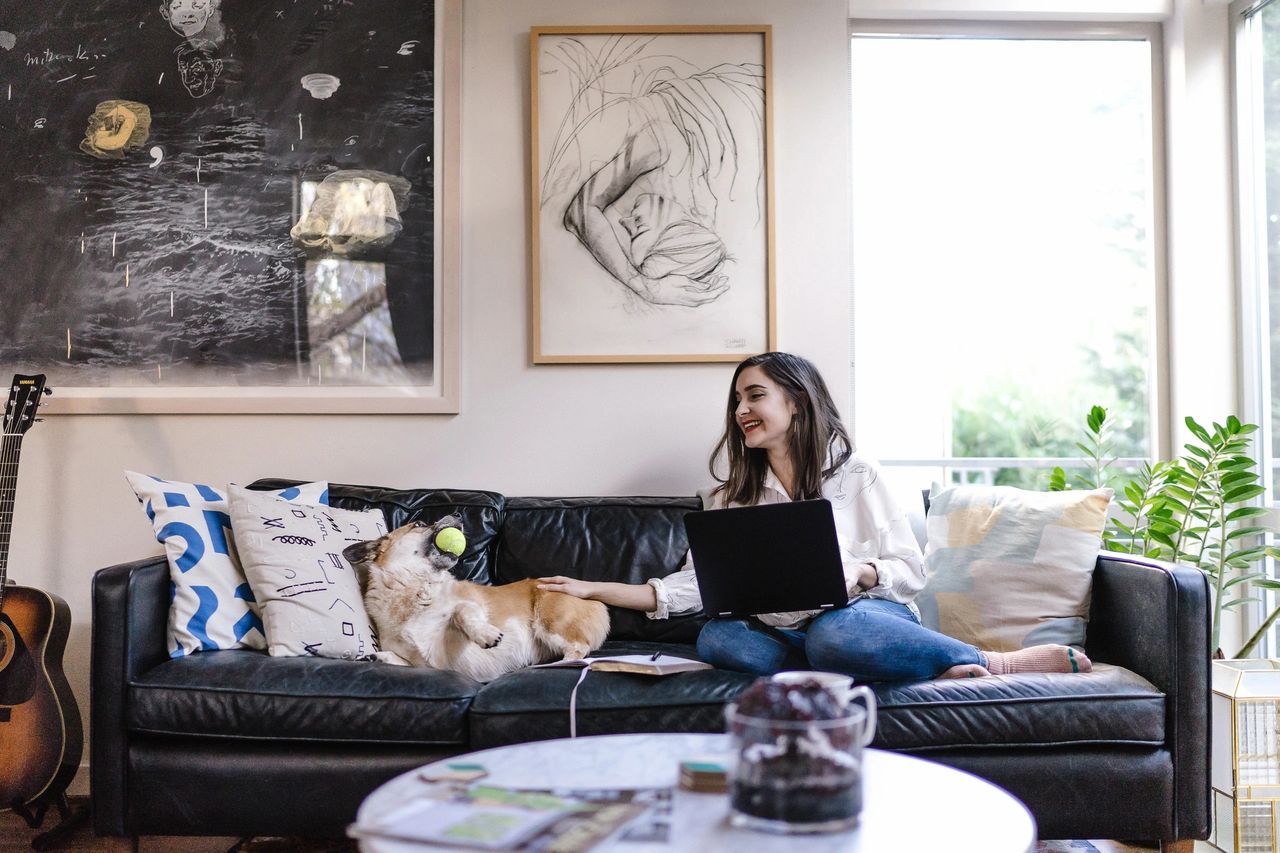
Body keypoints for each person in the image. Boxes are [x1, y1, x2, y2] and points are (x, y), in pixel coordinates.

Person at [537, 351, 1093, 682]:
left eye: (754, 396)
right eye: (737, 402)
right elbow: (692, 587)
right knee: (719, 640)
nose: (741, 411)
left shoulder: (857, 476)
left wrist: (862, 572)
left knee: (833, 633)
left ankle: (993, 665)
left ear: (796, 401)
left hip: (860, 617)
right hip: (779, 634)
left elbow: (909, 570)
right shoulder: (730, 496)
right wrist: (595, 588)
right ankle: (871, 670)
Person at [545, 51, 764, 308]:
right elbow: (580, 212)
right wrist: (644, 286)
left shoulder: (683, 156)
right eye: (640, 227)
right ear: (684, 227)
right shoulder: (670, 142)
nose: (624, 221)